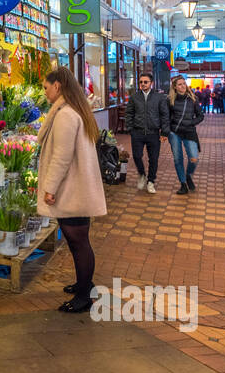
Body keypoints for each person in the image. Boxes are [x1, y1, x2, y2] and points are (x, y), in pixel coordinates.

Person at [37, 66, 107, 313]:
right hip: (77, 187)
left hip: (71, 189)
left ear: (58, 86)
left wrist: (50, 188)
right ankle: (84, 285)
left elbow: (61, 157)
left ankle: (84, 296)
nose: (45, 93)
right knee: (79, 241)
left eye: (46, 88)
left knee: (78, 242)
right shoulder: (75, 110)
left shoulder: (66, 115)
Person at [124, 71, 168, 194]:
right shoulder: (134, 97)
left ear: (151, 83)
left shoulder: (159, 97)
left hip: (153, 133)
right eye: (141, 82)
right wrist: (130, 128)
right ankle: (142, 174)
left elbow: (165, 115)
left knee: (153, 158)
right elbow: (129, 113)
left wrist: (164, 132)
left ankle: (151, 182)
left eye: (145, 82)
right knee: (137, 156)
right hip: (137, 132)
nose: (143, 84)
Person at [167, 75, 205, 194]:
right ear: (175, 87)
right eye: (180, 84)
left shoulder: (193, 99)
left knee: (194, 158)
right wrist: (166, 130)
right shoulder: (170, 100)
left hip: (189, 132)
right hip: (174, 132)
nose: (183, 86)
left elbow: (200, 116)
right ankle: (183, 184)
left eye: (184, 83)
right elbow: (166, 117)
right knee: (178, 159)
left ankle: (188, 175)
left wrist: (191, 122)